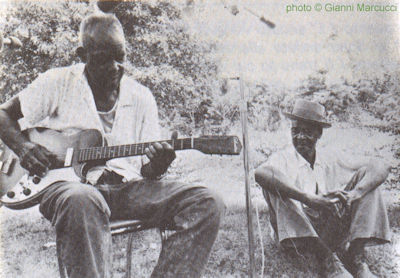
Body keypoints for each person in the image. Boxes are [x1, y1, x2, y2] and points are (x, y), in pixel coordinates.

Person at [0, 13, 225, 278]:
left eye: (121, 57)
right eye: (104, 59)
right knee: (82, 198)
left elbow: (147, 173)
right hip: (66, 189)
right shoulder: (57, 82)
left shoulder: (141, 97)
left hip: (125, 188)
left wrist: (158, 164)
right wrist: (25, 149)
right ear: (83, 55)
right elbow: (3, 114)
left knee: (207, 201)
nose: (115, 67)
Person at [255, 99, 391, 278]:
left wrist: (354, 194)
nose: (300, 137)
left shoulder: (331, 157)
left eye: (307, 132)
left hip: (328, 228)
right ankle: (328, 260)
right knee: (276, 187)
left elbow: (380, 166)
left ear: (319, 134)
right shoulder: (284, 158)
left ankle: (356, 258)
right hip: (297, 235)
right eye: (295, 131)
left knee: (369, 182)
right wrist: (308, 198)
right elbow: (260, 173)